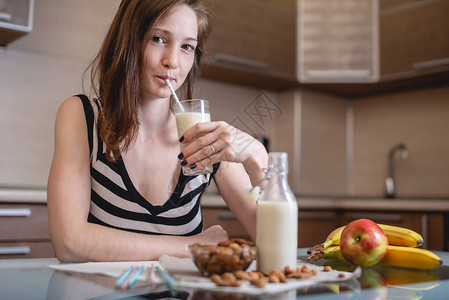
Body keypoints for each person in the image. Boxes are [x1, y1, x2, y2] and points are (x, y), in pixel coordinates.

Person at [47, 0, 268, 262]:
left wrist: (258, 158)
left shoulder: (206, 143)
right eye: (158, 39)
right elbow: (70, 243)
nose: (172, 61)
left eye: (187, 47)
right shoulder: (82, 116)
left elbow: (277, 242)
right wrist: (191, 247)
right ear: (129, 40)